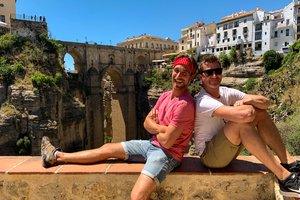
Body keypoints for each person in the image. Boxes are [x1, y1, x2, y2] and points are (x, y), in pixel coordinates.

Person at [41, 54, 196, 200]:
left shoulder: (185, 105)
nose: (179, 76)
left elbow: (168, 142)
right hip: (151, 145)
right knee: (108, 148)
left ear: (191, 77)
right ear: (172, 72)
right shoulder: (165, 96)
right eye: (176, 70)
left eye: (185, 73)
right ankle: (56, 156)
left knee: (137, 197)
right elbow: (146, 122)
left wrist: (155, 127)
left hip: (167, 155)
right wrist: (162, 129)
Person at [194, 55, 300, 198]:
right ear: (201, 77)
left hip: (228, 149)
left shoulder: (225, 92)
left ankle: (288, 162)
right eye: (209, 72)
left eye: (217, 71)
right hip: (210, 157)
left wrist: (249, 99)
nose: (214, 75)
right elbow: (247, 115)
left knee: (260, 113)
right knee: (241, 124)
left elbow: (266, 103)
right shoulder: (202, 101)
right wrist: (246, 105)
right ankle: (285, 179)